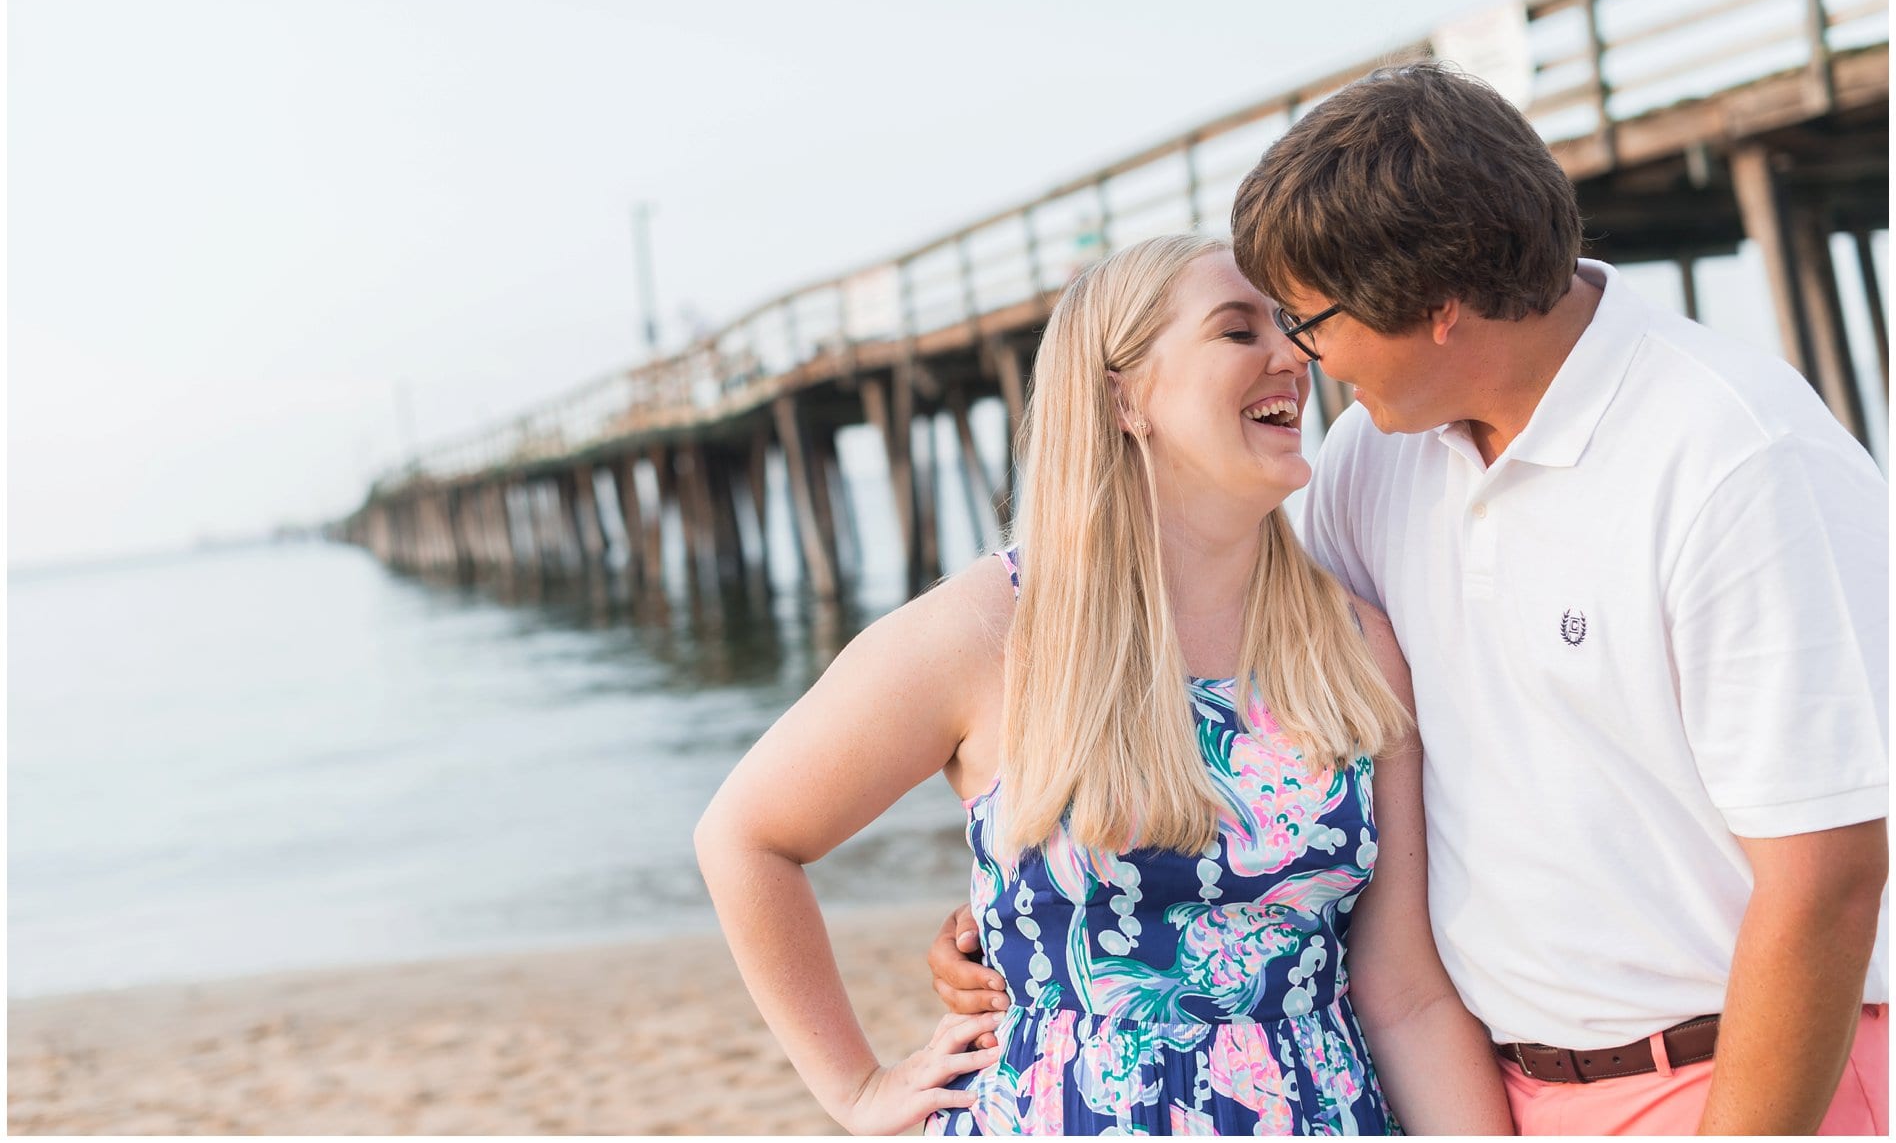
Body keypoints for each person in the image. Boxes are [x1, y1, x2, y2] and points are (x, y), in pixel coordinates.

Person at [931, 62, 1889, 1135]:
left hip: (1740, 1078)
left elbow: (1828, 879)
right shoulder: (1370, 463)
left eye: (1307, 320)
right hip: (1487, 1089)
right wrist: (1043, 898)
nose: (1301, 357)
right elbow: (1270, 729)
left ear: (1436, 308)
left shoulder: (1735, 458)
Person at [696, 233, 1514, 1135]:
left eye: (1288, 325)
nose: (1292, 354)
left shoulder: (1353, 645)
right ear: (1126, 396)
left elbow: (1405, 996)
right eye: (1238, 330)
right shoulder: (991, 630)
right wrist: (855, 1089)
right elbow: (746, 837)